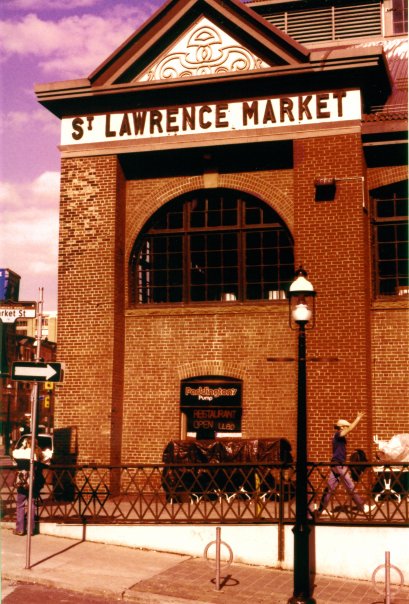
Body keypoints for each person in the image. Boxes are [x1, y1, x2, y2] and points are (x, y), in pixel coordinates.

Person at [319, 412, 376, 516]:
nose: (347, 428)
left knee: (330, 488)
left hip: (335, 464)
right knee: (350, 486)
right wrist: (358, 418)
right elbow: (350, 429)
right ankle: (362, 507)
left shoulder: (337, 437)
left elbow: (339, 450)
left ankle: (321, 509)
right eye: (345, 426)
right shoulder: (338, 434)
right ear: (341, 427)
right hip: (339, 465)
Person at [12, 437, 46, 536]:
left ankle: (20, 529)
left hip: (23, 481)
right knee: (31, 505)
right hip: (34, 482)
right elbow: (47, 459)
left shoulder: (22, 453)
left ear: (27, 443)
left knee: (20, 504)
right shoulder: (37, 454)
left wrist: (23, 445)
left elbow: (14, 453)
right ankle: (31, 530)